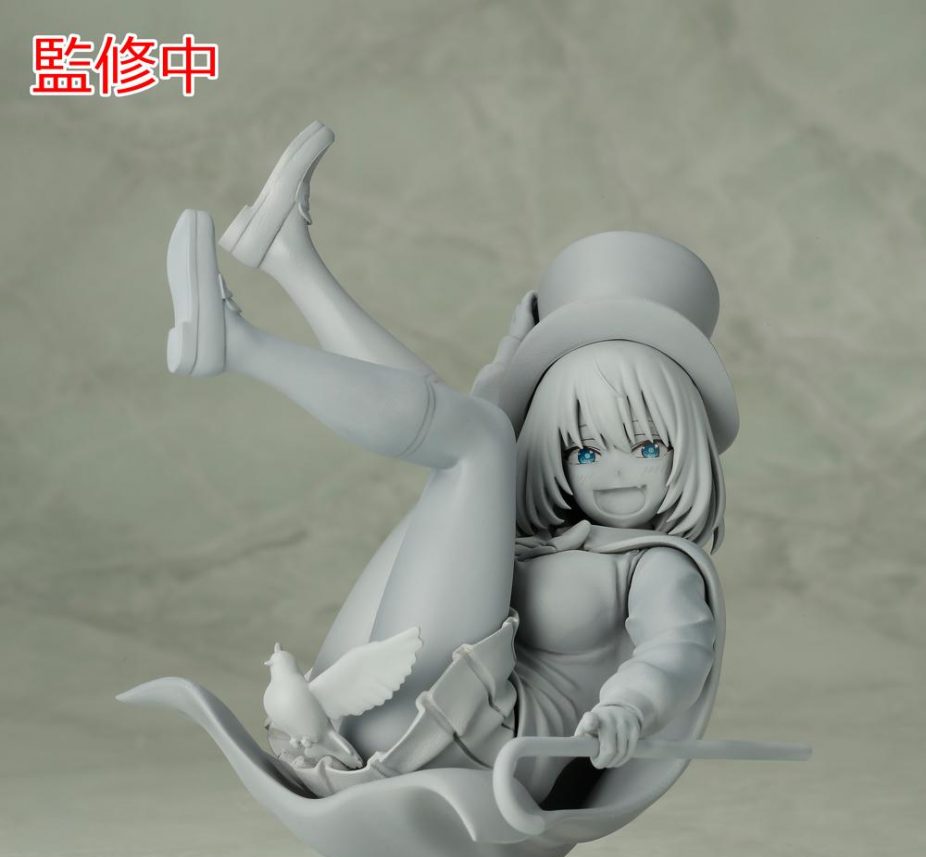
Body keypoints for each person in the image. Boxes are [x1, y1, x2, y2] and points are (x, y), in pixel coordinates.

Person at [164, 121, 738, 802]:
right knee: (464, 440)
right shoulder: (547, 534)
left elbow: (678, 652)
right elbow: (454, 417)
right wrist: (513, 358)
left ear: (685, 450)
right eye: (585, 450)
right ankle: (288, 256)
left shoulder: (655, 565)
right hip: (359, 708)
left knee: (476, 441)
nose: (616, 472)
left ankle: (241, 345)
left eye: (646, 448)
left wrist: (628, 708)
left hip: (479, 744)